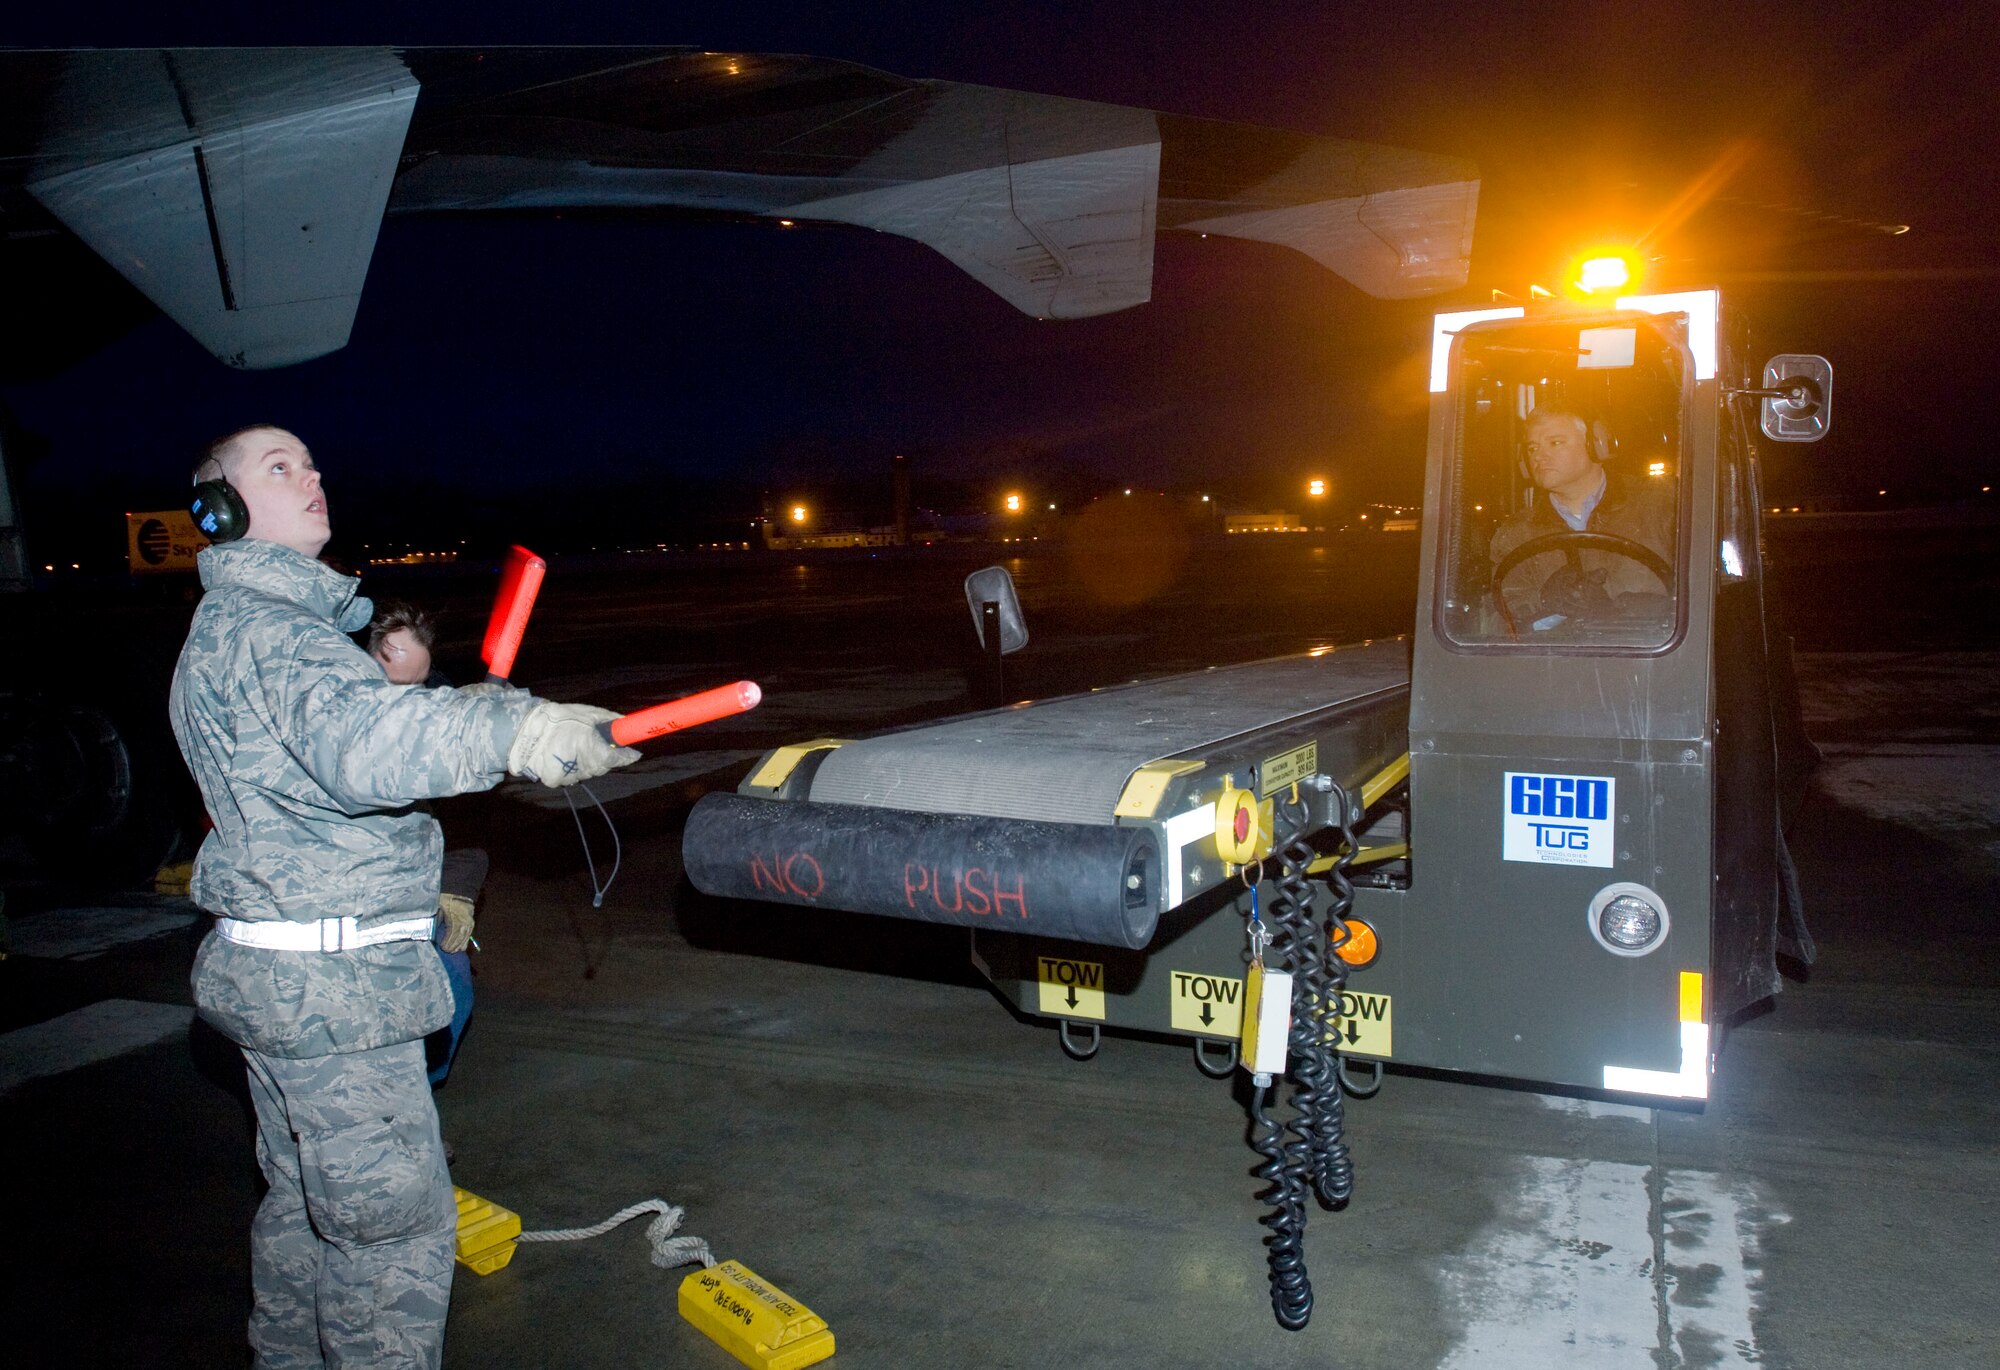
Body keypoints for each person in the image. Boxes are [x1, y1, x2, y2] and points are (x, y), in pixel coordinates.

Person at [170, 424, 638, 1369]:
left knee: (305, 1213)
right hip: (336, 996)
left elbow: (340, 740)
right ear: (219, 511)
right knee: (387, 1244)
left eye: (309, 461)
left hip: (278, 980)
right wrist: (517, 730)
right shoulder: (276, 631)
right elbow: (361, 749)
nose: (312, 477)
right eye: (278, 468)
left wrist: (470, 716)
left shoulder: (231, 629)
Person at [367, 599, 479, 1087]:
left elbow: (472, 823)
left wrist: (457, 891)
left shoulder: (434, 710)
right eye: (396, 686)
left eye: (420, 685)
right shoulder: (332, 719)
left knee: (454, 992)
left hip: (417, 892)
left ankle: (420, 1099)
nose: (409, 701)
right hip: (349, 902)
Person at [1487, 407, 1676, 633]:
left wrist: (1653, 609)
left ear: (1596, 445)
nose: (1538, 456)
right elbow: (1500, 620)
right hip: (1559, 664)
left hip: (1655, 659)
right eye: (1532, 448)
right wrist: (1545, 599)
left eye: (1555, 443)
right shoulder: (1516, 534)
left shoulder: (1660, 503)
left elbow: (1708, 591)